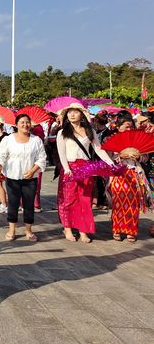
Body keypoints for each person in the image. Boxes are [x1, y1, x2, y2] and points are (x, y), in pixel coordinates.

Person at [56, 103, 114, 243]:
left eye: (75, 112)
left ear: (81, 115)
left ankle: (83, 230)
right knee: (68, 199)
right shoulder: (62, 132)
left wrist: (110, 163)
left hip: (86, 168)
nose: (72, 115)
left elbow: (99, 149)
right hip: (69, 167)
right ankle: (68, 228)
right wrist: (67, 168)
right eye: (70, 112)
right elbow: (61, 153)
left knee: (84, 200)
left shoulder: (90, 131)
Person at [0, 114, 47, 241]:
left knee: (29, 204)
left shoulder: (36, 140)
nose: (25, 125)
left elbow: (42, 158)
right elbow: (0, 155)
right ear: (16, 124)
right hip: (12, 177)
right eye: (22, 122)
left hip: (30, 178)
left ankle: (28, 231)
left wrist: (33, 170)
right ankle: (12, 230)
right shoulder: (8, 139)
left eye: (27, 122)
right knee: (12, 203)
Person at [108, 115, 148, 242]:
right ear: (118, 127)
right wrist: (120, 155)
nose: (128, 127)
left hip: (134, 174)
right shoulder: (111, 139)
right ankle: (117, 229)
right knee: (118, 202)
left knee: (133, 203)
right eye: (125, 125)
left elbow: (145, 157)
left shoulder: (138, 138)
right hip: (118, 174)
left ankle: (131, 230)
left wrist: (138, 157)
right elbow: (107, 158)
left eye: (130, 125)